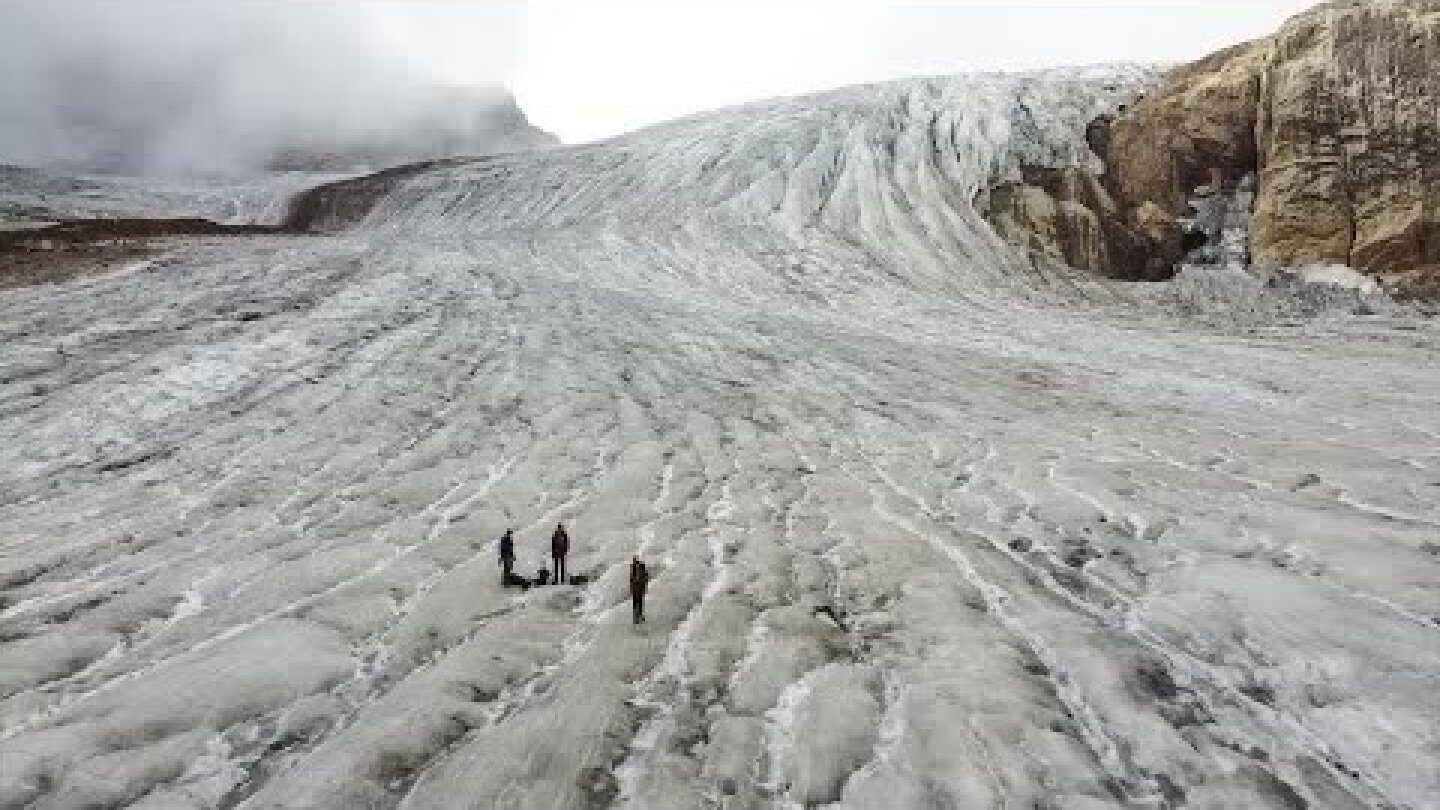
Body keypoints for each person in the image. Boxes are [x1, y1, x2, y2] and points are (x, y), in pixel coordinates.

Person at [629, 556, 649, 624]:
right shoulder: (633, 569)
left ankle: (638, 616)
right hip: (636, 587)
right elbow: (631, 580)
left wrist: (644, 586)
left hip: (639, 587)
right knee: (636, 603)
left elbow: (645, 577)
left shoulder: (641, 567)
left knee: (639, 603)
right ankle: (636, 617)